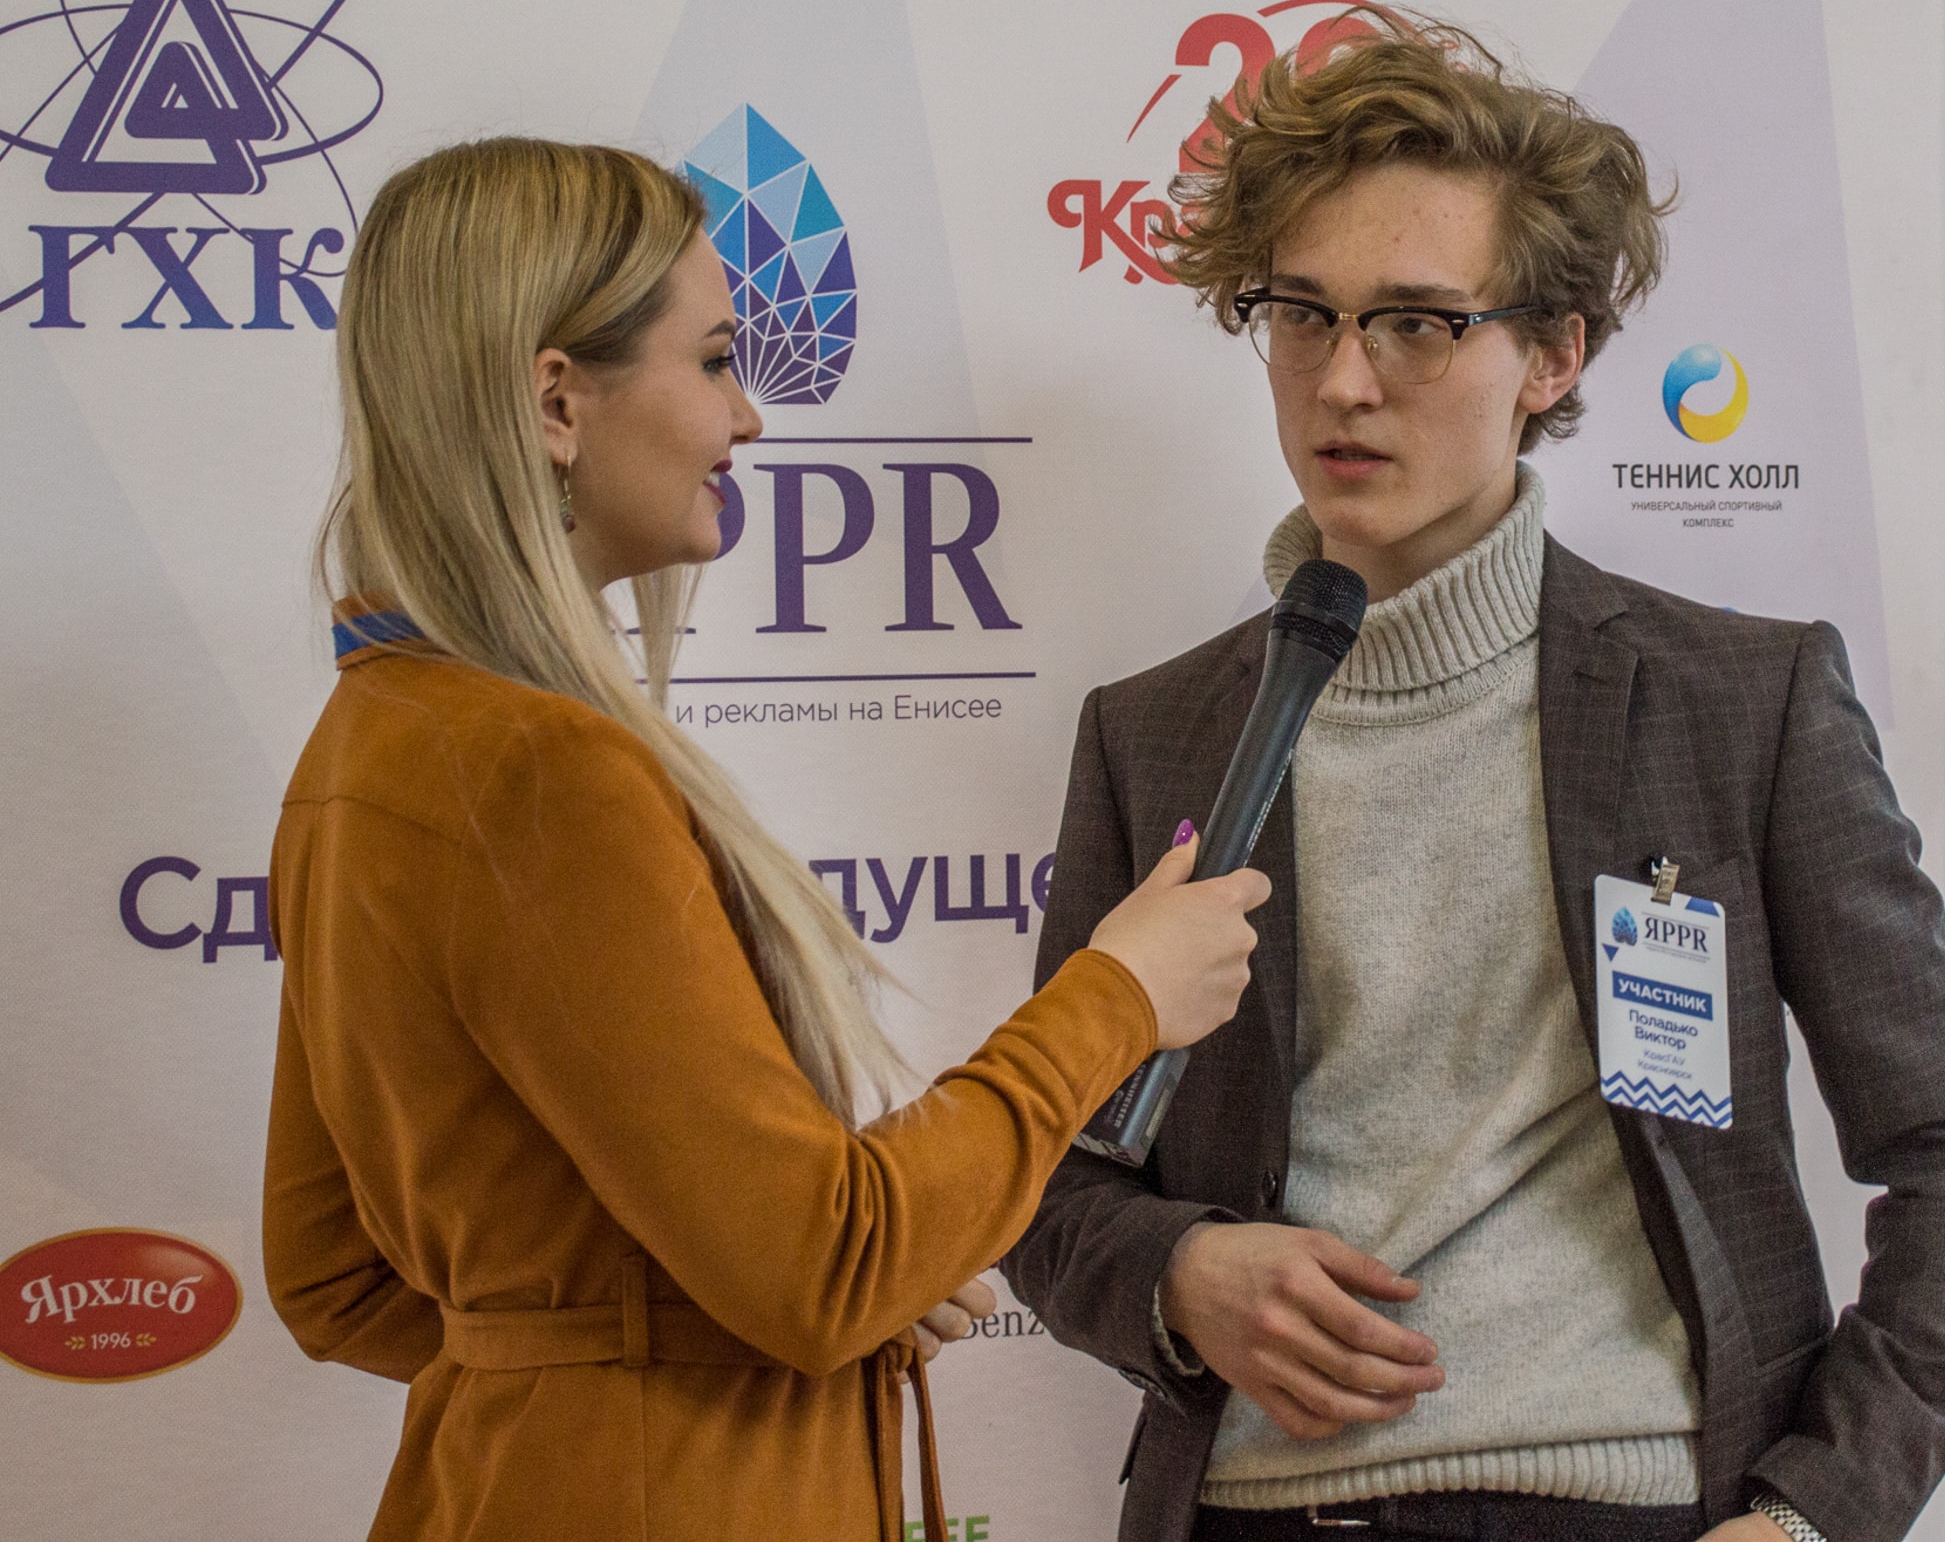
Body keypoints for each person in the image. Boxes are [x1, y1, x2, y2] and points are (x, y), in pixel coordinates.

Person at [1004, 20, 1945, 1542]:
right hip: (1252, 1514)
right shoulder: (1153, 733)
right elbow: (1046, 1181)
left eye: (1418, 325)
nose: (1344, 380)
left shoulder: (1737, 705)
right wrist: (1177, 1274)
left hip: (1628, 1504)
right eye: (1303, 316)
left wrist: (1813, 1516)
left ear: (1550, 354)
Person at [260, 137, 1271, 1542]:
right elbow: (826, 1268)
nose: (748, 418)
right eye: (716, 360)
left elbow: (329, 1277)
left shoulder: (368, 741)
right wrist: (1118, 998)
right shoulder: (541, 772)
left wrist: (653, 1333)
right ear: (556, 402)